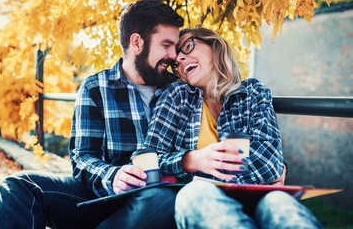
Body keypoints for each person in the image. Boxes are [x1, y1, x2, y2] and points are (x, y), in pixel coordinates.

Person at [0, 0, 184, 229]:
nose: (174, 55)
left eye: (175, 46)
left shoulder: (180, 90)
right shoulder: (96, 87)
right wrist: (113, 177)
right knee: (17, 185)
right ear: (137, 42)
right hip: (103, 198)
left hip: (156, 198)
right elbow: (82, 157)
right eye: (166, 45)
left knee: (161, 200)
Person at [138, 27, 324, 228]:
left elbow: (269, 163)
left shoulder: (253, 92)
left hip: (259, 197)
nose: (180, 60)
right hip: (202, 201)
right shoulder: (177, 96)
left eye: (187, 46)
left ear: (214, 45)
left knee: (279, 203)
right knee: (195, 194)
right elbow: (151, 162)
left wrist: (203, 174)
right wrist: (191, 160)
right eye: (175, 63)